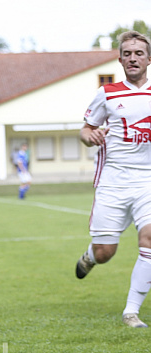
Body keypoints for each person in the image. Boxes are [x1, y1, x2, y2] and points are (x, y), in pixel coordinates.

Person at [75, 30, 151, 328]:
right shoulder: (107, 93)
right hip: (113, 181)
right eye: (128, 53)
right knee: (107, 251)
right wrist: (89, 136)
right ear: (120, 59)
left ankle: (131, 312)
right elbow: (85, 130)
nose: (133, 58)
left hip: (148, 181)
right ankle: (90, 257)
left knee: (149, 238)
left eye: (139, 53)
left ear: (149, 58)